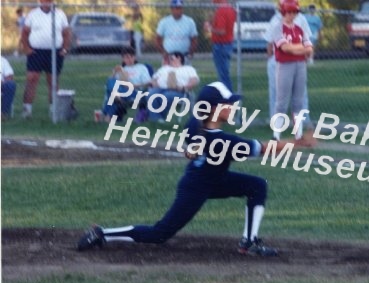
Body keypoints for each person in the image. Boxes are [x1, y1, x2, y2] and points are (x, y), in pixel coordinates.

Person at [77, 81, 305, 256]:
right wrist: (299, 143)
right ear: (214, 109)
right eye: (228, 104)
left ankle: (249, 241)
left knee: (257, 186)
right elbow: (264, 149)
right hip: (196, 186)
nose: (233, 106)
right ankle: (102, 233)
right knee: (160, 234)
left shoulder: (195, 123)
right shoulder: (222, 140)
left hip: (213, 179)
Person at [270, 0, 313, 141]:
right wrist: (301, 48)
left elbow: (309, 48)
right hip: (284, 65)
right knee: (281, 101)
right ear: (283, 12)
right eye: (289, 11)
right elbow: (285, 48)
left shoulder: (299, 29)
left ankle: (298, 134)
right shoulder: (278, 27)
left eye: (294, 12)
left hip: (300, 65)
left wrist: (299, 49)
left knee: (298, 101)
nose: (292, 14)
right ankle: (276, 134)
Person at [21, 0, 71, 119]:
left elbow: (66, 33)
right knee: (32, 79)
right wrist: (27, 48)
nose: (46, 2)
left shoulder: (60, 14)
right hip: (36, 52)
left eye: (49, 1)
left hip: (55, 52)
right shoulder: (33, 14)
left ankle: (54, 111)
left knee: (53, 82)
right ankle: (27, 110)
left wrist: (65, 49)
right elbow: (24, 33)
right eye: (44, 1)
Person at [136, 51, 200, 123]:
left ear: (179, 58)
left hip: (177, 90)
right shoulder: (165, 68)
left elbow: (194, 80)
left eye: (171, 58)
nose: (169, 60)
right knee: (151, 94)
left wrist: (185, 87)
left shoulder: (188, 69)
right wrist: (154, 83)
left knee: (166, 96)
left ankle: (158, 118)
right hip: (160, 88)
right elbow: (154, 79)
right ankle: (157, 119)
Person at [102, 46, 152, 122]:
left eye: (130, 57)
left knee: (112, 94)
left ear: (134, 57)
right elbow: (109, 85)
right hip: (121, 91)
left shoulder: (141, 68)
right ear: (123, 59)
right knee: (111, 81)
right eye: (126, 57)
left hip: (135, 92)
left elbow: (148, 83)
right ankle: (116, 98)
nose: (129, 59)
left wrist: (131, 86)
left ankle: (108, 117)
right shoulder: (122, 69)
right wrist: (114, 73)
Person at [204, 0, 236, 91]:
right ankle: (227, 97)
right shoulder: (230, 8)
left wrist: (209, 28)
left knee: (223, 74)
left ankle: (227, 97)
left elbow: (222, 31)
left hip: (221, 45)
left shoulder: (221, 10)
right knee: (225, 72)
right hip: (228, 43)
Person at [156, 0, 198, 65]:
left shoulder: (190, 22)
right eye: (174, 8)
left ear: (182, 9)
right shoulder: (164, 22)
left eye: (179, 8)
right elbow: (158, 39)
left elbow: (194, 39)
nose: (177, 10)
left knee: (186, 74)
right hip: (169, 56)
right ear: (171, 9)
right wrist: (164, 53)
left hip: (184, 56)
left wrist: (190, 53)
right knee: (169, 74)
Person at [1, 56, 17, 120]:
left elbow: (10, 76)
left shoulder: (2, 60)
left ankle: (3, 114)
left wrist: (2, 82)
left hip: (1, 85)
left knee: (10, 85)